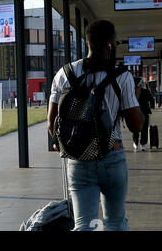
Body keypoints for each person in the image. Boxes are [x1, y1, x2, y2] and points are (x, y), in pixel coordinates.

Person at [47, 20, 144, 231]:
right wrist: (135, 99)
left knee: (83, 224)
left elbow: (51, 123)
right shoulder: (123, 76)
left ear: (88, 41)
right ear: (110, 43)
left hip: (78, 159)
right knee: (115, 221)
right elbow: (136, 126)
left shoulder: (65, 73)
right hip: (112, 155)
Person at [132, 77, 154, 152]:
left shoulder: (133, 92)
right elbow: (151, 100)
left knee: (135, 128)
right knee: (144, 129)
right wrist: (151, 106)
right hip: (144, 112)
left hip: (136, 112)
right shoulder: (146, 91)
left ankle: (135, 143)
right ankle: (143, 145)